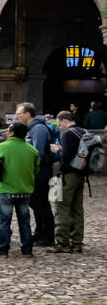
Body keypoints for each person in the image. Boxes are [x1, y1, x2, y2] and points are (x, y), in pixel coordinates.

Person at [0, 120, 38, 258]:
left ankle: (3, 250)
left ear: (11, 133)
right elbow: (36, 168)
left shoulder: (2, 147)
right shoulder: (32, 150)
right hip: (25, 190)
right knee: (25, 222)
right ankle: (27, 251)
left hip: (6, 189)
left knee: (4, 221)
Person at [15, 103, 56, 247]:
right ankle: (40, 232)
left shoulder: (38, 128)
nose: (17, 115)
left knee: (41, 203)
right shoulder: (32, 128)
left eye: (19, 112)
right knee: (35, 203)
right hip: (36, 171)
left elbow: (37, 152)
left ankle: (48, 235)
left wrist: (30, 169)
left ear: (28, 114)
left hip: (40, 172)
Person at [52, 109, 89, 254]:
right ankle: (77, 242)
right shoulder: (83, 131)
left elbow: (65, 157)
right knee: (77, 208)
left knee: (62, 206)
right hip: (81, 174)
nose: (59, 126)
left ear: (64, 121)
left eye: (59, 123)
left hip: (68, 174)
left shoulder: (68, 133)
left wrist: (57, 150)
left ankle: (62, 242)